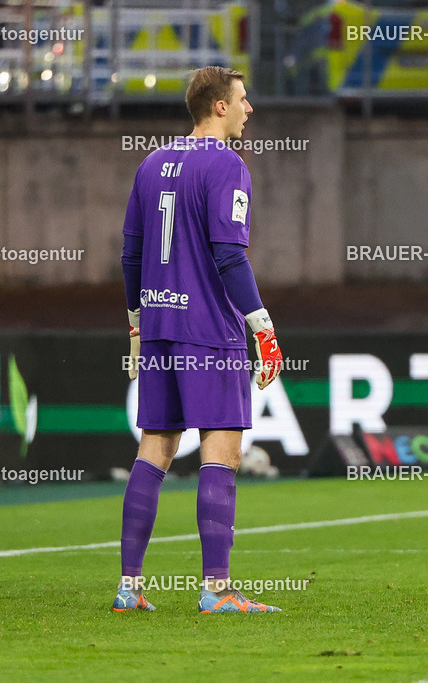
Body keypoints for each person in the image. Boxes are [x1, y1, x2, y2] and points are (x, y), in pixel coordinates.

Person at [114, 66, 284, 614]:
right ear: (218, 106)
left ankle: (128, 587)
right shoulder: (228, 165)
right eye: (242, 99)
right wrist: (263, 328)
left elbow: (131, 255)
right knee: (222, 450)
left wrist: (137, 319)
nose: (249, 109)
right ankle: (217, 589)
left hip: (160, 326)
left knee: (154, 448)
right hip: (210, 330)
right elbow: (229, 255)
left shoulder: (151, 164)